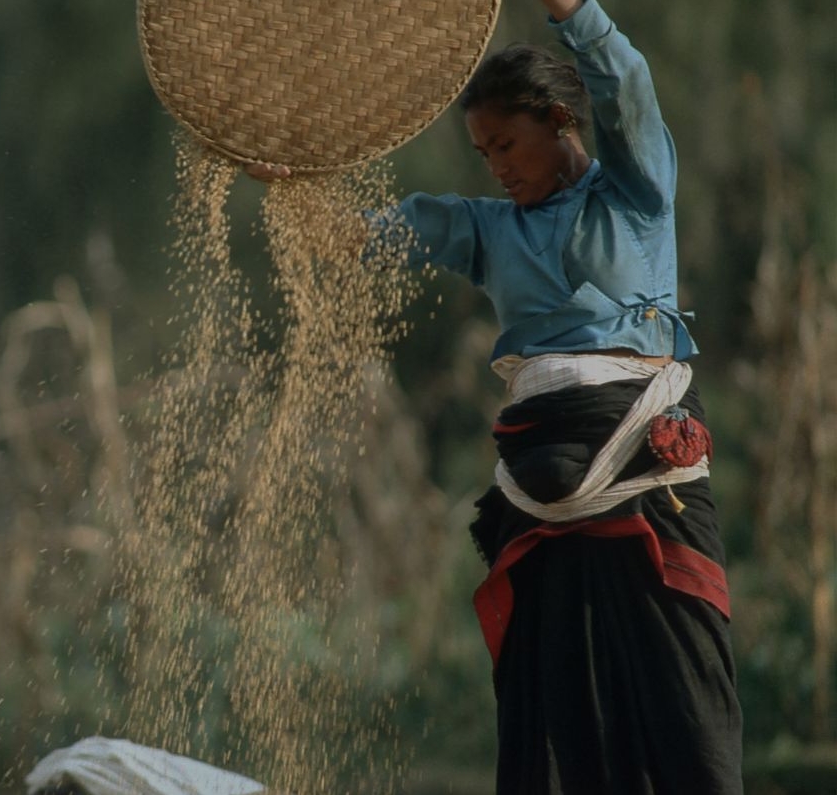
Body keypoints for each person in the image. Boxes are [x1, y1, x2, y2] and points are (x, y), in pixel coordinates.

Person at [249, 0, 742, 792]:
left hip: (647, 476)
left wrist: (573, 12)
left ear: (558, 121)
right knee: (549, 719)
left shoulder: (635, 196)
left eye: (508, 144)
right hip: (539, 502)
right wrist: (288, 190)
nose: (499, 167)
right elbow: (367, 235)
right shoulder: (488, 230)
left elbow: (629, 85)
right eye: (484, 154)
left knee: (683, 702)